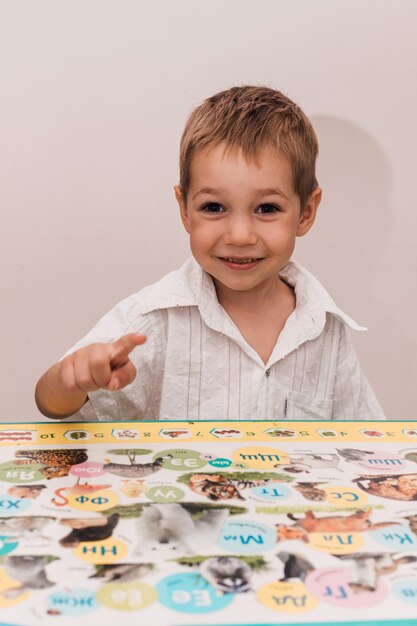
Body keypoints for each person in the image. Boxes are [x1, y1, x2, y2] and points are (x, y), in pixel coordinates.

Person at [35, 85, 385, 422]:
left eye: (266, 208)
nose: (239, 235)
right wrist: (71, 378)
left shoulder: (323, 328)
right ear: (184, 210)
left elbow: (364, 437)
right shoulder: (153, 319)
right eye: (214, 207)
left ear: (306, 212)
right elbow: (51, 403)